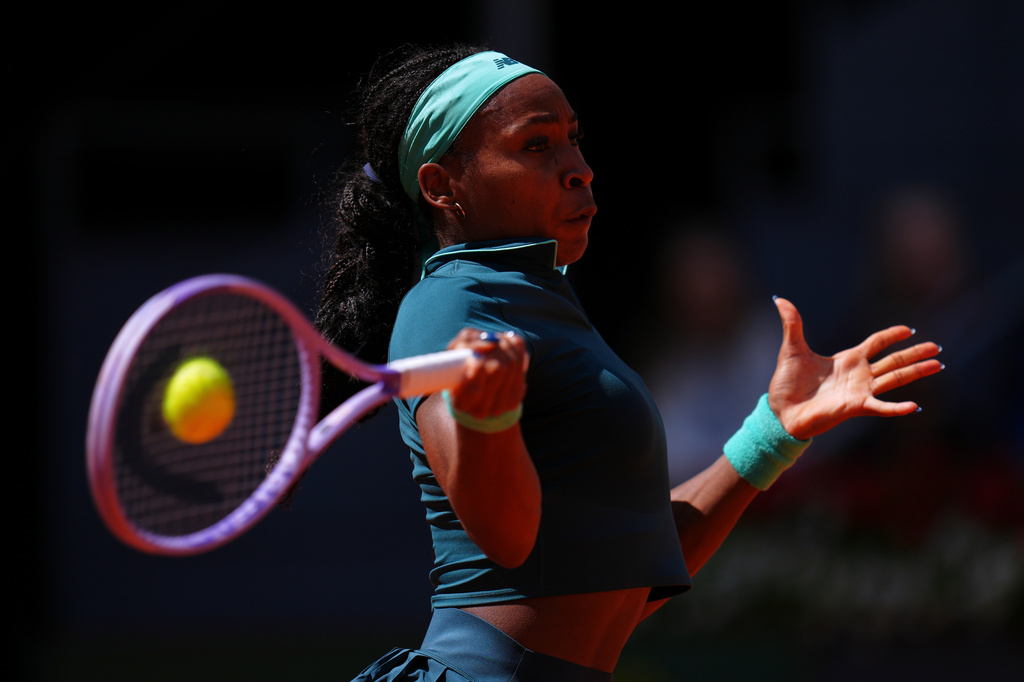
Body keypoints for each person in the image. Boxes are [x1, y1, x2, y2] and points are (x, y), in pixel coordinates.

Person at [315, 44, 942, 681]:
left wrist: (773, 431)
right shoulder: (449, 301)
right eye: (536, 146)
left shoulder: (544, 297)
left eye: (574, 139)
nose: (579, 169)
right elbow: (503, 538)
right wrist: (486, 423)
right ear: (442, 187)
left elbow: (630, 566)